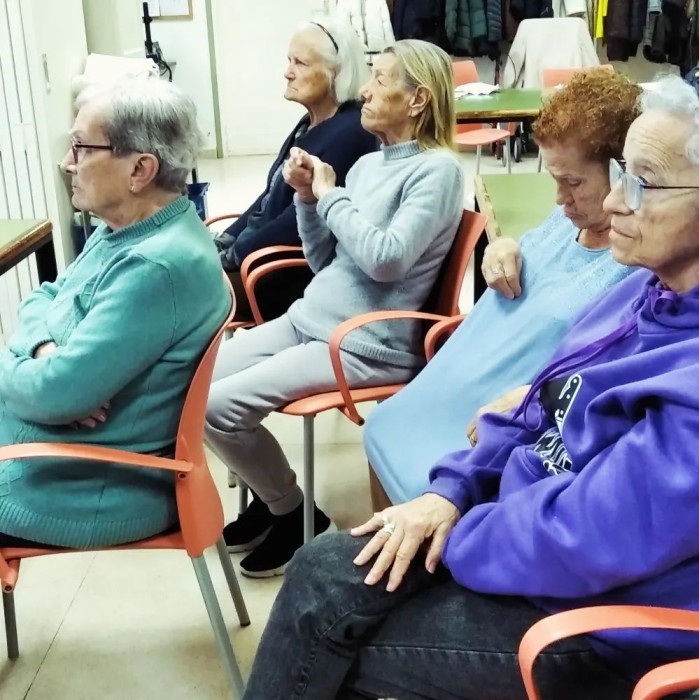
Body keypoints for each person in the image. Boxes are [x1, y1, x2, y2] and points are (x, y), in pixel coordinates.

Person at [243, 74, 699, 700]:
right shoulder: (644, 293)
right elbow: (537, 401)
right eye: (622, 175)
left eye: (643, 183)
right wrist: (449, 494)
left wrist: (459, 529)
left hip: (602, 625)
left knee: (326, 626)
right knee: (323, 570)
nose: (617, 201)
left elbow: (588, 537)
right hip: (532, 546)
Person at [206, 39, 465, 578]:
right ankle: (277, 502)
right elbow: (326, 260)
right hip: (310, 320)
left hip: (362, 343)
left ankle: (290, 511)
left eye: (380, 80)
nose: (364, 91)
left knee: (217, 409)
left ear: (417, 99)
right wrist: (308, 198)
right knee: (196, 391)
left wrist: (329, 196)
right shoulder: (369, 165)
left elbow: (386, 260)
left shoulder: (437, 172)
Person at [364, 69, 640, 506]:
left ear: (626, 173)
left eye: (573, 182)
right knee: (382, 427)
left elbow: (610, 371)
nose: (559, 198)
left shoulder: (635, 263)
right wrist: (505, 246)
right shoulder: (567, 220)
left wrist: (535, 400)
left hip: (496, 411)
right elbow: (537, 262)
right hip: (454, 381)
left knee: (423, 481)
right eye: (554, 179)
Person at [0, 79, 229, 549]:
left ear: (140, 169)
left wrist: (24, 363)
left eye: (81, 148)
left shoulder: (154, 265)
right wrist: (43, 349)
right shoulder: (124, 230)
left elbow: (55, 393)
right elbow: (46, 296)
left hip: (90, 485)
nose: (68, 163)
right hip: (56, 453)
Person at [213, 17, 378, 320]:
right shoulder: (312, 123)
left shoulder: (351, 132)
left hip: (281, 273)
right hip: (257, 259)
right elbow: (267, 200)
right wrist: (224, 241)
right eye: (290, 61)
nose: (287, 72)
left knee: (177, 298)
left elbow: (295, 223)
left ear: (335, 72)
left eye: (300, 63)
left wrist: (233, 256)